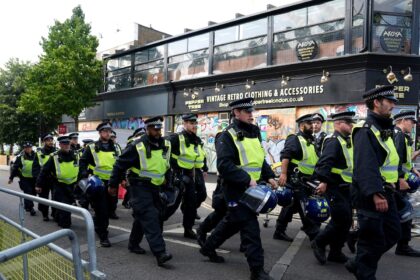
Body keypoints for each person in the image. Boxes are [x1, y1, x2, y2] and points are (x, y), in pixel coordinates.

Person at [200, 97, 277, 280]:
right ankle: (257, 271)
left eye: (252, 111)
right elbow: (224, 165)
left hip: (253, 189)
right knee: (250, 228)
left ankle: (208, 247)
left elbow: (260, 159)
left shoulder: (255, 132)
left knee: (232, 223)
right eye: (247, 112)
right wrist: (246, 179)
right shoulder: (227, 135)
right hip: (235, 190)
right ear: (236, 112)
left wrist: (269, 176)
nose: (252, 115)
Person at [345, 85, 402, 279]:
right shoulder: (365, 130)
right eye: (390, 101)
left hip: (387, 191)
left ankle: (358, 263)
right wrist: (376, 193)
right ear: (376, 102)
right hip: (372, 194)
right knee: (371, 240)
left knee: (393, 233)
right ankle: (364, 271)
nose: (393, 105)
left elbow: (391, 159)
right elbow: (365, 166)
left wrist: (400, 177)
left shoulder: (384, 128)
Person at [109, 116, 173, 266]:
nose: (157, 131)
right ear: (147, 129)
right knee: (151, 218)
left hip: (156, 187)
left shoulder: (166, 145)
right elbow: (119, 165)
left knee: (143, 217)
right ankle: (160, 253)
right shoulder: (137, 146)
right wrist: (113, 185)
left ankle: (133, 244)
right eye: (154, 129)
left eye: (159, 129)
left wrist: (168, 182)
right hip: (139, 187)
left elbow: (168, 165)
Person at [310, 111, 356, 265]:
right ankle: (319, 242)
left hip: (346, 187)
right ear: (338, 123)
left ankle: (336, 252)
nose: (351, 125)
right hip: (334, 186)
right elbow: (324, 163)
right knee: (340, 218)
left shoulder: (346, 140)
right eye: (348, 122)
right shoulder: (334, 141)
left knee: (346, 220)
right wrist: (323, 181)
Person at [274, 114, 320, 242]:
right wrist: (283, 174)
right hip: (297, 179)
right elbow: (285, 156)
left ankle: (279, 231)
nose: (313, 126)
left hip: (309, 180)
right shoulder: (295, 139)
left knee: (290, 206)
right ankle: (315, 237)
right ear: (301, 125)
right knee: (304, 207)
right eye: (310, 124)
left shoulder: (311, 140)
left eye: (314, 123)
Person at [79, 122, 119, 247]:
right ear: (100, 133)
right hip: (98, 183)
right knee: (102, 210)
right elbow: (82, 162)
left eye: (109, 131)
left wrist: (122, 179)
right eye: (105, 131)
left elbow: (120, 164)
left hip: (112, 183)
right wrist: (86, 175)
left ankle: (97, 223)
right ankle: (103, 236)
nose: (108, 133)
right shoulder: (91, 147)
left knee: (111, 208)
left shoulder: (116, 147)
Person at [169, 113, 208, 239]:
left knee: (191, 203)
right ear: (184, 124)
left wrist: (203, 168)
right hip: (178, 174)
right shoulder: (176, 138)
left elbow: (201, 155)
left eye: (195, 123)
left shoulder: (196, 140)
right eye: (191, 123)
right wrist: (174, 171)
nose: (194, 126)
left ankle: (188, 228)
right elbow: (167, 154)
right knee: (173, 203)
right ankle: (158, 222)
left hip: (191, 175)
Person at [392, 110, 420, 257]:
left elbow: (404, 160)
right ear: (402, 120)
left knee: (400, 214)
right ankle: (403, 246)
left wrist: (413, 169)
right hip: (397, 182)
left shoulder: (402, 136)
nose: (413, 125)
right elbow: (395, 159)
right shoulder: (398, 135)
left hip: (397, 181)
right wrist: (401, 179)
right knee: (405, 213)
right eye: (411, 121)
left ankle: (403, 245)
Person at [36, 136, 79, 228]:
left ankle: (58, 217)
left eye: (67, 144)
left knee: (67, 204)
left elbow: (80, 167)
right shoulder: (54, 157)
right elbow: (44, 171)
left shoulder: (76, 154)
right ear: (60, 145)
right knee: (64, 205)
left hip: (72, 185)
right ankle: (65, 224)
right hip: (59, 185)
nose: (66, 146)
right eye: (64, 144)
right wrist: (38, 184)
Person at [32, 133, 57, 221]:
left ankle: (54, 213)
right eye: (48, 140)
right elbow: (35, 168)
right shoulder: (39, 153)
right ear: (44, 142)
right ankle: (45, 214)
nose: (50, 142)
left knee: (55, 197)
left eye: (51, 140)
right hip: (43, 179)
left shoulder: (56, 151)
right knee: (44, 198)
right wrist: (37, 182)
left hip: (54, 179)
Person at [9, 141, 37, 216]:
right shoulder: (20, 157)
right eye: (26, 148)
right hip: (24, 179)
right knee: (28, 193)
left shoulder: (36, 156)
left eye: (29, 147)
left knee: (33, 194)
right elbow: (15, 168)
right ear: (24, 149)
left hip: (34, 179)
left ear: (31, 148)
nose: (28, 149)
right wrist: (11, 178)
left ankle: (27, 206)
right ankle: (31, 208)